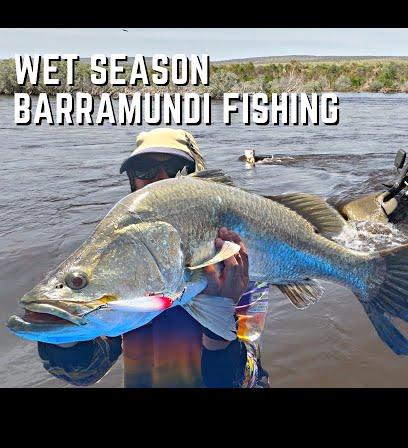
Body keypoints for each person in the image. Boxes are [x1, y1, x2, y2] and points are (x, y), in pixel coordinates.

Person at [37, 128, 269, 388]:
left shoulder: (238, 260)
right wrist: (62, 327)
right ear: (132, 181)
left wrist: (220, 324)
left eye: (175, 167)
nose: (159, 179)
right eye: (144, 169)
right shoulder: (122, 262)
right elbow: (87, 371)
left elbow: (249, 380)